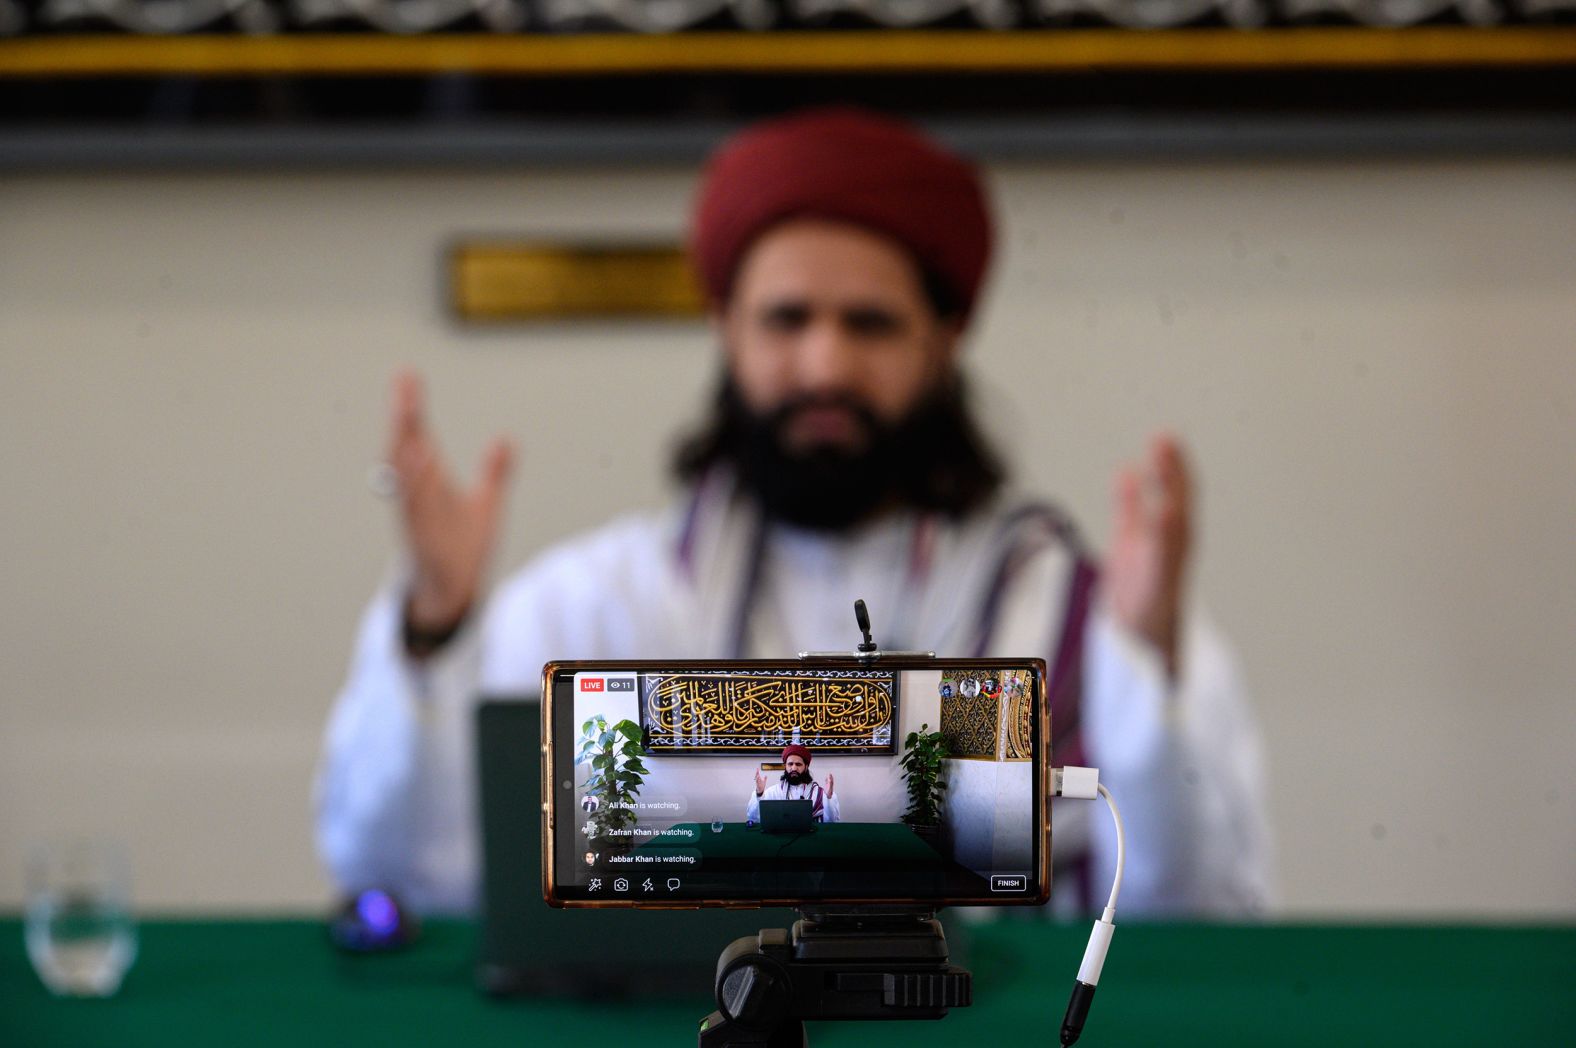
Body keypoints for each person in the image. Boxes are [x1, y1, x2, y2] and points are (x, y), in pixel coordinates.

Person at [314, 107, 1273, 918]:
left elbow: (1200, 916)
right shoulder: (589, 608)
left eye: (870, 324)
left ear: (947, 337)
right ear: (725, 327)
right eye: (786, 320)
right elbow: (408, 881)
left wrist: (1147, 673)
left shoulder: (1071, 617)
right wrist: (434, 629)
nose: (824, 367)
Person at [747, 745, 839, 824]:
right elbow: (754, 819)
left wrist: (829, 798)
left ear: (806, 767)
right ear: (785, 766)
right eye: (790, 764)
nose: (794, 768)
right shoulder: (774, 792)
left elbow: (832, 822)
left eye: (798, 764)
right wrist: (759, 794)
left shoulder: (821, 793)